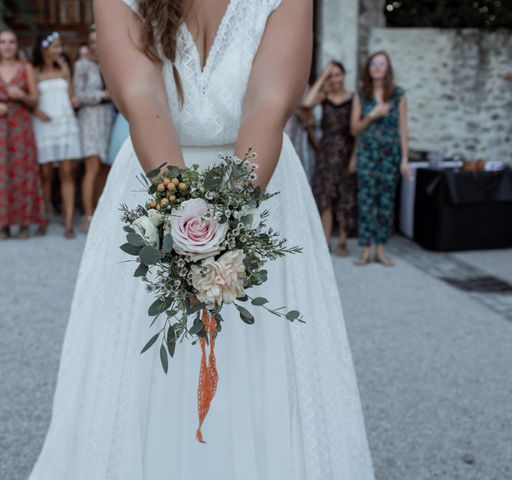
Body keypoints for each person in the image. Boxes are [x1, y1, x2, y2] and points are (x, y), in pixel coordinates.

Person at [28, 1, 375, 479]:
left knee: (263, 358)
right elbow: (140, 95)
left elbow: (268, 105)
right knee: (143, 362)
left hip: (260, 183)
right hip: (155, 182)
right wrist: (187, 223)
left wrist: (227, 228)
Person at [0, 29, 45, 240]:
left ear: (17, 45)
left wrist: (22, 95)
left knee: (23, 172)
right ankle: (3, 224)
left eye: (11, 42)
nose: (7, 46)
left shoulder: (26, 68)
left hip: (20, 125)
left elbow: (35, 100)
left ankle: (24, 223)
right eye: (2, 42)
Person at [351, 51, 410, 266]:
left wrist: (404, 158)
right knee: (366, 202)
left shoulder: (399, 95)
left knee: (386, 203)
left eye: (381, 63)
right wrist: (373, 115)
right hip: (367, 155)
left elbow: (403, 129)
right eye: (373, 63)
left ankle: (381, 250)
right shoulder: (361, 94)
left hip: (390, 156)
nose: (377, 67)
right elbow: (354, 129)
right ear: (368, 68)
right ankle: (365, 250)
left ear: (387, 68)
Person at [32, 31, 82, 239]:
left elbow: (72, 97)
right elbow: (31, 98)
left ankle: (68, 221)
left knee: (67, 172)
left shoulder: (64, 68)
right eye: (56, 46)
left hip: (64, 123)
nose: (59, 50)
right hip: (44, 125)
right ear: (44, 49)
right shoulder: (35, 71)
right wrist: (36, 111)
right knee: (44, 173)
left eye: (60, 46)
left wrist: (73, 97)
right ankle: (43, 218)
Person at [303, 61, 356, 256]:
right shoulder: (324, 97)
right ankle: (326, 241)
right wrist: (322, 77)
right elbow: (307, 103)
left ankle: (342, 240)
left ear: (343, 75)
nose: (334, 79)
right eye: (331, 75)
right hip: (325, 153)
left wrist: (354, 158)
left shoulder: (353, 98)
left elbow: (356, 132)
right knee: (325, 197)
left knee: (344, 197)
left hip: (345, 152)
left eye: (337, 74)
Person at [73, 25, 115, 232]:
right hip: (90, 117)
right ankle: (87, 214)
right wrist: (102, 95)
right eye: (91, 43)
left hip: (109, 117)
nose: (95, 46)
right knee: (92, 165)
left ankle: (101, 211)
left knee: (104, 167)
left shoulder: (111, 62)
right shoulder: (83, 65)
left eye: (97, 41)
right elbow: (78, 95)